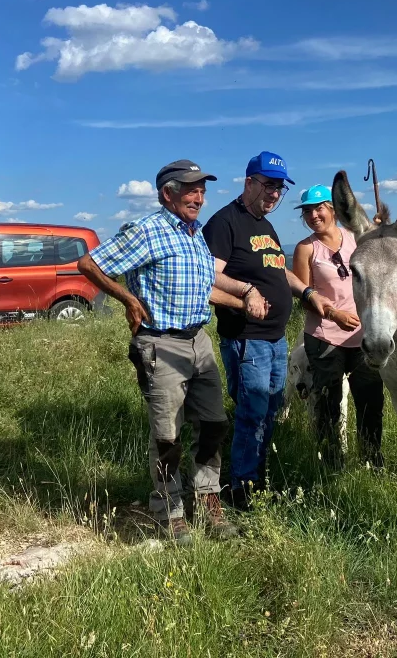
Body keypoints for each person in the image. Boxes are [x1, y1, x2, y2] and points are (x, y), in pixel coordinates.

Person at [77, 159, 265, 544]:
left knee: (214, 424)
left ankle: (208, 500)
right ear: (168, 193)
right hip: (160, 343)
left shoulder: (193, 233)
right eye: (191, 189)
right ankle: (170, 511)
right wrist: (127, 298)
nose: (199, 196)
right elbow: (89, 263)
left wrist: (242, 297)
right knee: (168, 435)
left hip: (199, 341)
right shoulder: (148, 231)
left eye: (202, 189)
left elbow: (200, 287)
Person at [202, 151, 330, 509]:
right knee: (252, 413)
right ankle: (242, 490)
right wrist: (246, 295)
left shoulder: (265, 226)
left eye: (280, 188)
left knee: (269, 410)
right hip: (247, 339)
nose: (274, 194)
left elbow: (278, 271)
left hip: (274, 340)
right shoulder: (226, 222)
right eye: (268, 185)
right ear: (249, 182)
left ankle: (257, 482)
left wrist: (306, 291)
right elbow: (209, 277)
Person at [292, 184, 385, 470]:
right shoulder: (306, 249)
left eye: (319, 208)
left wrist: (378, 232)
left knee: (370, 401)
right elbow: (303, 297)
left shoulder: (355, 237)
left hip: (361, 336)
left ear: (332, 209)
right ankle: (331, 464)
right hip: (324, 337)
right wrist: (334, 315)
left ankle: (371, 461)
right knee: (328, 405)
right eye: (307, 211)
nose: (313, 215)